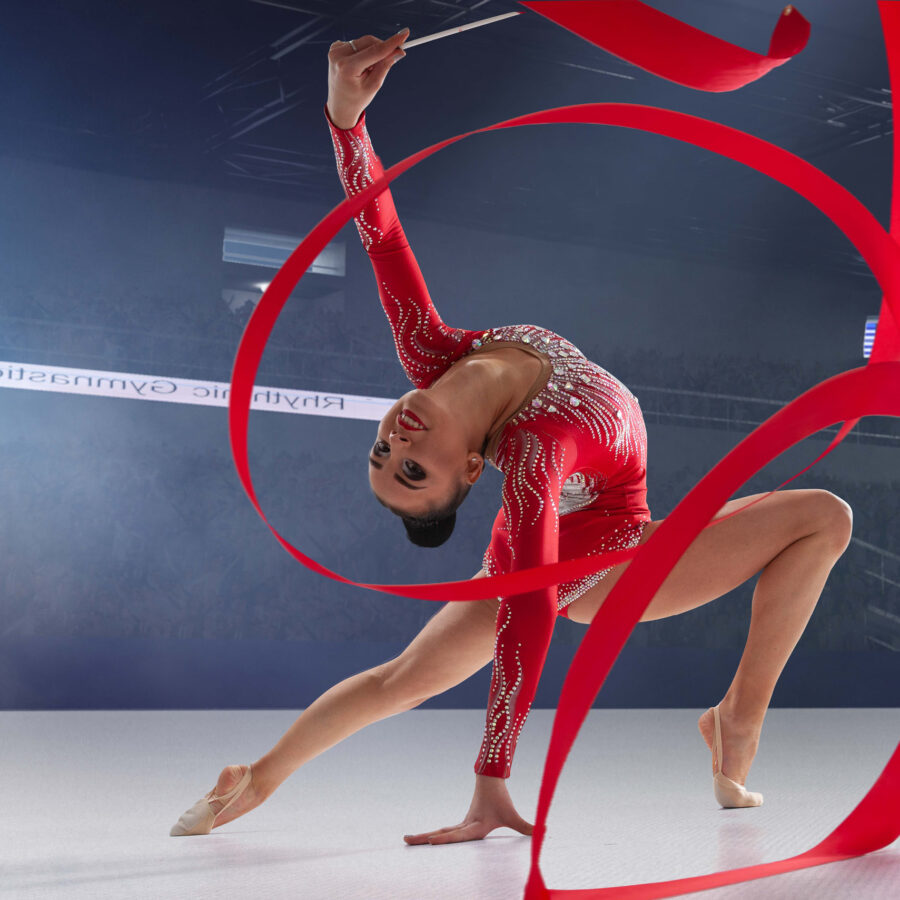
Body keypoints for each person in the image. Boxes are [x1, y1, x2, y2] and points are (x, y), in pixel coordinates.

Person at [170, 29, 854, 842]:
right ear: (469, 467)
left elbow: (381, 234)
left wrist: (345, 117)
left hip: (581, 536)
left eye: (382, 456)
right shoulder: (533, 454)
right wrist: (492, 776)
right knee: (825, 517)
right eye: (413, 472)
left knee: (400, 680)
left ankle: (254, 779)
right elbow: (529, 613)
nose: (395, 444)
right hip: (608, 563)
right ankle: (740, 718)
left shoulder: (431, 348)